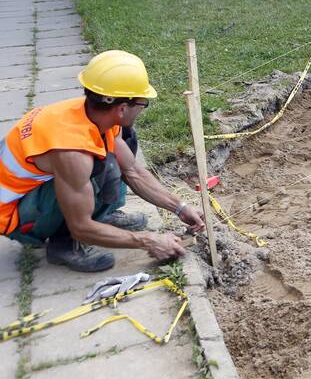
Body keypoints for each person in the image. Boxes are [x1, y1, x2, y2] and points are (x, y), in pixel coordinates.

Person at [1, 51, 204, 272]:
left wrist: (180, 208)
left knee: (122, 142)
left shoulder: (93, 113)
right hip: (16, 216)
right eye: (142, 102)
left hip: (36, 189)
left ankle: (101, 215)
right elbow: (81, 227)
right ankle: (64, 245)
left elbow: (133, 171)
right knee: (102, 167)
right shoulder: (72, 152)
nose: (143, 108)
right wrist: (148, 240)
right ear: (122, 108)